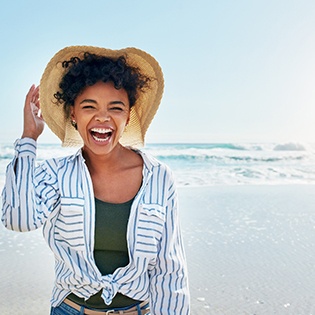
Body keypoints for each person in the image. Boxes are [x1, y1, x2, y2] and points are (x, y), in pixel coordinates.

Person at [1, 45, 190, 315]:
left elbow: (169, 269)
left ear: (128, 115)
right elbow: (17, 219)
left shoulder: (159, 177)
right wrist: (29, 139)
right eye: (89, 106)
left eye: (116, 107)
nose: (102, 117)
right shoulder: (55, 174)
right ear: (73, 115)